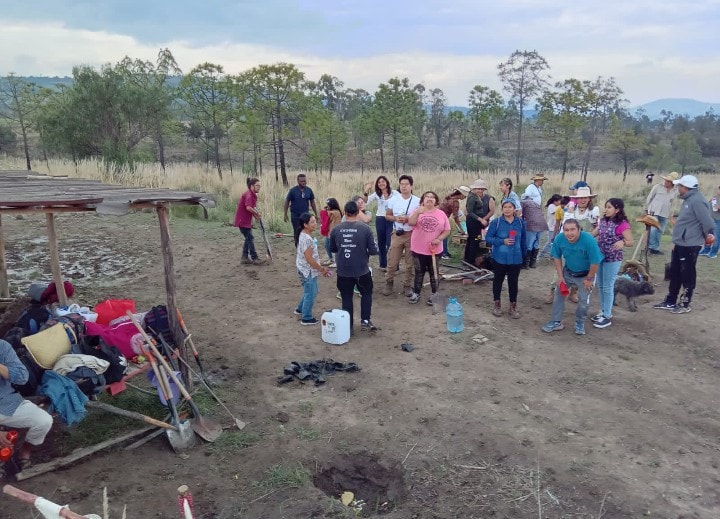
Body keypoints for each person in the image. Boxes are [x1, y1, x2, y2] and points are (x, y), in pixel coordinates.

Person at [654, 175, 715, 313]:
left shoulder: (697, 201)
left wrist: (707, 237)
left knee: (687, 274)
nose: (677, 188)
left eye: (679, 186)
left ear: (686, 187)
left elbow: (708, 223)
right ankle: (670, 301)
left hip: (690, 245)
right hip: (681, 243)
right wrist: (677, 241)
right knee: (675, 272)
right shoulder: (689, 200)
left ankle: (685, 304)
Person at [542, 219, 604, 336]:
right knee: (558, 294)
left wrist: (589, 279)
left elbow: (595, 262)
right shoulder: (559, 239)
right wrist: (560, 276)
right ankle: (556, 322)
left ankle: (579, 323)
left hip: (586, 274)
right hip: (568, 271)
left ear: (579, 229)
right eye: (566, 230)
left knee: (583, 301)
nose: (569, 233)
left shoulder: (588, 240)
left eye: (572, 230)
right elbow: (556, 257)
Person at [1, 339, 54, 468]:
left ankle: (24, 451)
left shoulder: (2, 346)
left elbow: (22, 377)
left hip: (7, 402)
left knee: (43, 421)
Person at [330, 200, 379, 333]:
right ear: (358, 212)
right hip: (362, 270)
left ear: (345, 213)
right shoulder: (365, 229)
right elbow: (374, 251)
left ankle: (348, 327)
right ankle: (365, 321)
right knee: (366, 293)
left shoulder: (336, 229)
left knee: (346, 298)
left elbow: (333, 248)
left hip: (343, 271)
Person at [590, 198, 633, 329]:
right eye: (606, 207)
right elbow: (593, 234)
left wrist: (623, 242)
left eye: (609, 207)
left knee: (608, 286)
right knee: (601, 285)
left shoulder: (622, 224)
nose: (606, 209)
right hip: (600, 256)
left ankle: (607, 316)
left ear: (617, 209)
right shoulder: (603, 221)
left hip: (613, 258)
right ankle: (603, 311)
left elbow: (630, 241)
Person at [407, 191, 451, 305]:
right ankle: (416, 293)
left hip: (435, 250)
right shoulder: (417, 211)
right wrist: (417, 212)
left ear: (436, 201)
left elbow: (447, 230)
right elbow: (411, 223)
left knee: (434, 272)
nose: (429, 199)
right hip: (418, 248)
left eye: (432, 197)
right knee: (419, 272)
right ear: (423, 200)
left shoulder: (441, 214)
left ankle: (434, 294)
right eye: (427, 197)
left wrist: (439, 239)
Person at [485, 199, 526, 318]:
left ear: (514, 209)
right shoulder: (496, 222)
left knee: (513, 283)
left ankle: (513, 306)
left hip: (516, 258)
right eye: (505, 207)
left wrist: (524, 255)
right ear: (502, 209)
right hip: (500, 258)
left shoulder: (520, 223)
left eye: (510, 207)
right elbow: (488, 238)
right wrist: (502, 241)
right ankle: (497, 305)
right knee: (498, 281)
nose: (507, 209)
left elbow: (523, 239)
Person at [383, 175, 421, 297]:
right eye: (401, 184)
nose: (404, 186)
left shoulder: (417, 201)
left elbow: (421, 218)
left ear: (411, 186)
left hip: (412, 234)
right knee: (393, 260)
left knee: (410, 263)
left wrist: (409, 219)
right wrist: (395, 218)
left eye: (406, 184)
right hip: (397, 233)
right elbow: (387, 215)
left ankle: (407, 285)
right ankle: (389, 282)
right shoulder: (393, 200)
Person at [294, 213, 329, 325]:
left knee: (310, 291)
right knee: (311, 292)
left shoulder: (303, 234)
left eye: (315, 221)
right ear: (305, 225)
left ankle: (300, 309)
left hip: (304, 269)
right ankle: (306, 317)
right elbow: (309, 259)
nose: (315, 224)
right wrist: (321, 269)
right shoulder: (307, 239)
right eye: (312, 222)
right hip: (307, 271)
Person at [364, 176, 399, 271]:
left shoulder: (395, 193)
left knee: (390, 242)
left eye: (383, 181)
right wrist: (366, 191)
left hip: (391, 218)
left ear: (387, 182)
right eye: (379, 182)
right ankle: (383, 264)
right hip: (380, 219)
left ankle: (394, 264)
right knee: (381, 243)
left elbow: (401, 201)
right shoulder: (377, 194)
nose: (381, 184)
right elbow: (365, 202)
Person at [644, 172, 679, 255]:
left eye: (669, 181)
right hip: (654, 211)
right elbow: (650, 197)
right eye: (666, 180)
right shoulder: (657, 187)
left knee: (660, 231)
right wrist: (646, 209)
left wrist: (672, 213)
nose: (667, 182)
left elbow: (674, 202)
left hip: (665, 213)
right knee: (653, 230)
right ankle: (651, 247)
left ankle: (655, 247)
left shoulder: (675, 190)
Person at [234, 177, 266, 266]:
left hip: (245, 221)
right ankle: (254, 258)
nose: (259, 187)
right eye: (257, 185)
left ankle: (244, 257)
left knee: (248, 238)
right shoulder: (249, 195)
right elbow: (248, 207)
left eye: (260, 186)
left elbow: (250, 208)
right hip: (242, 221)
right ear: (252, 186)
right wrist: (257, 214)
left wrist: (256, 215)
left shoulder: (251, 194)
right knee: (250, 238)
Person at [464, 179, 495, 265]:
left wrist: (484, 219)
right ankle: (471, 260)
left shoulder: (487, 198)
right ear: (474, 188)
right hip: (473, 223)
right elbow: (469, 212)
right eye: (478, 189)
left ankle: (468, 259)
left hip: (478, 223)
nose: (480, 190)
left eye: (482, 189)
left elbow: (492, 211)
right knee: (475, 240)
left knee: (473, 239)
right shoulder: (471, 197)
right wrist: (481, 220)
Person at [284, 174, 318, 247]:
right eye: (301, 181)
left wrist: (316, 213)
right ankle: (298, 247)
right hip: (295, 215)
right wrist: (285, 214)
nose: (303, 182)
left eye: (304, 181)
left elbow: (312, 202)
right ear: (298, 181)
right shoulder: (293, 191)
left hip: (305, 215)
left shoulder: (309, 190)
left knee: (306, 230)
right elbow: (287, 201)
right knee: (297, 231)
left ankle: (306, 246)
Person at [439, 186, 469, 259]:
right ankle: (444, 253)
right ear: (461, 194)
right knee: (444, 235)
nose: (464, 198)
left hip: (438, 216)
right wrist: (461, 230)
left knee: (441, 235)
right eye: (464, 196)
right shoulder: (455, 202)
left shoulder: (449, 196)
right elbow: (455, 217)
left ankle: (443, 252)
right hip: (443, 218)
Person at [520, 193, 547, 269]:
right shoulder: (536, 203)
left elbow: (520, 214)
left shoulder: (522, 202)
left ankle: (526, 264)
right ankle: (533, 263)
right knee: (536, 243)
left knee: (529, 244)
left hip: (531, 224)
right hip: (542, 224)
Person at [538, 194, 563, 259]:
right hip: (552, 227)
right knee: (550, 242)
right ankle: (542, 255)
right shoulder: (551, 206)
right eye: (560, 201)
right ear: (555, 201)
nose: (561, 202)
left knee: (555, 242)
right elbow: (557, 212)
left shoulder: (557, 206)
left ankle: (552, 255)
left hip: (556, 227)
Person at [699, 184, 720, 258]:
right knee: (708, 236)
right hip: (710, 220)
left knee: (716, 238)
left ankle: (713, 252)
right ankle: (706, 250)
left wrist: (719, 208)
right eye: (719, 189)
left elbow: (717, 208)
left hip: (718, 221)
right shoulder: (715, 198)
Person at [320, 198, 342, 267]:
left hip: (335, 232)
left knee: (335, 247)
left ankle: (337, 261)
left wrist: (326, 209)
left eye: (328, 205)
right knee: (327, 245)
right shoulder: (331, 211)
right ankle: (331, 259)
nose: (327, 207)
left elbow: (327, 213)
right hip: (329, 232)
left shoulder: (336, 212)